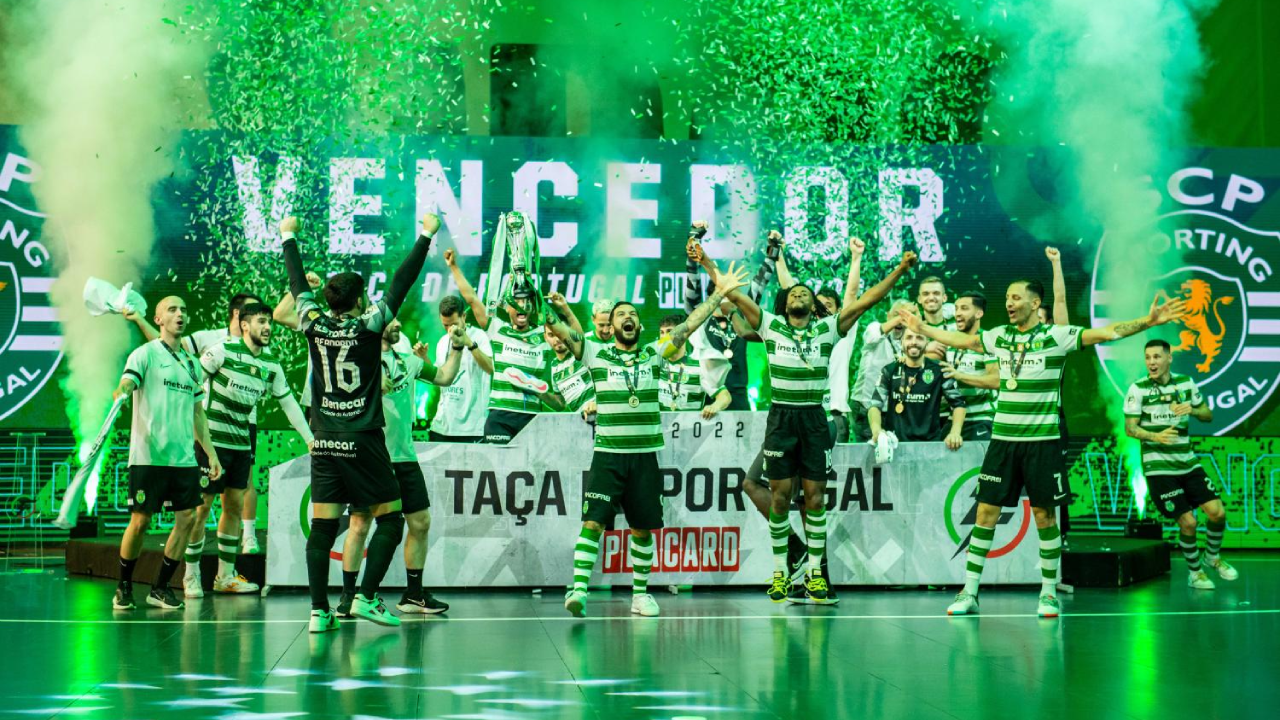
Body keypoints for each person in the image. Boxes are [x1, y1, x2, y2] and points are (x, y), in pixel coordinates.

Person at [903, 279, 1186, 618]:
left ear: (1035, 303)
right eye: (1006, 297)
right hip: (1003, 442)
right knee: (984, 515)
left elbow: (1107, 332)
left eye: (1016, 297)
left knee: (1044, 516)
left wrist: (1148, 322)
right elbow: (965, 340)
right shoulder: (1000, 337)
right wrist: (924, 329)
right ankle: (969, 592)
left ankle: (1048, 592)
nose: (1009, 303)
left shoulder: (1056, 337)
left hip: (1042, 444)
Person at [548, 265, 749, 618]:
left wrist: (721, 293)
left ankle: (640, 595)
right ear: (610, 327)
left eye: (633, 314)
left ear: (639, 326)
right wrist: (552, 307)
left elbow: (690, 324)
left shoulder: (654, 353)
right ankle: (579, 589)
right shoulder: (596, 354)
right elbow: (559, 330)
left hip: (644, 458)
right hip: (608, 456)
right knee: (593, 523)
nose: (627, 317)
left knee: (642, 530)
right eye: (619, 314)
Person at [725, 239, 917, 604]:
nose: (801, 294)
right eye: (795, 292)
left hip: (822, 418)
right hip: (783, 417)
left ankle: (817, 575)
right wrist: (722, 274)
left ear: (818, 308)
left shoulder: (833, 330)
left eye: (808, 293)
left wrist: (897, 270)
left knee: (814, 498)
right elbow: (747, 304)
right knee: (776, 494)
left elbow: (862, 297)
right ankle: (786, 571)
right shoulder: (774, 328)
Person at [281, 212, 439, 633]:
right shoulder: (369, 326)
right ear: (358, 301)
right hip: (364, 437)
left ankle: (319, 611)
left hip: (325, 438)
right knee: (390, 518)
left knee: (323, 526)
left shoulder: (313, 324)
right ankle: (367, 597)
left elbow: (298, 285)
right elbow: (402, 282)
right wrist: (425, 234)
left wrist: (288, 236)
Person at [183, 302, 314, 599]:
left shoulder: (271, 364)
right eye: (260, 322)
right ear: (244, 325)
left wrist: (309, 439)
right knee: (201, 509)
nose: (268, 327)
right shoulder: (221, 351)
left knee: (232, 508)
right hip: (211, 444)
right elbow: (192, 386)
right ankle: (190, 576)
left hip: (241, 445)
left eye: (269, 322)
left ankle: (225, 576)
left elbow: (289, 404)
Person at [338, 319, 465, 618]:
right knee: (360, 525)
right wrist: (369, 382)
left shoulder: (409, 362)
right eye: (392, 319)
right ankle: (348, 596)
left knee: (420, 522)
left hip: (405, 456)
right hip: (370, 457)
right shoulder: (355, 360)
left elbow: (446, 377)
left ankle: (414, 594)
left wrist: (457, 347)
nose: (398, 324)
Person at [126, 292, 268, 555]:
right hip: (209, 423)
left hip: (244, 424)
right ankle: (190, 574)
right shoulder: (208, 340)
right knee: (200, 505)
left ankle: (247, 539)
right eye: (253, 314)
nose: (261, 323)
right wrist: (139, 320)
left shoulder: (260, 346)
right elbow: (166, 349)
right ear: (238, 315)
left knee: (242, 490)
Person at [112, 296, 222, 612]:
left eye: (184, 310)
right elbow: (128, 381)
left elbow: (198, 413)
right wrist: (122, 391)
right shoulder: (144, 354)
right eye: (172, 310)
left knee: (187, 518)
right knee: (141, 522)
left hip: (183, 459)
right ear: (158, 319)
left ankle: (159, 588)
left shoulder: (190, 364)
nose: (180, 314)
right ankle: (124, 586)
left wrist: (211, 453)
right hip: (148, 456)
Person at [1124, 339, 1237, 589]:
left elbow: (1208, 414)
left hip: (1188, 463)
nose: (1151, 362)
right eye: (1148, 358)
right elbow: (1130, 429)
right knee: (1189, 522)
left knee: (1218, 513)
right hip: (1159, 469)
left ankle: (1212, 557)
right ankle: (1195, 573)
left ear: (1169, 358)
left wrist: (1193, 410)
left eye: (1156, 357)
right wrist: (1155, 436)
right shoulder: (1138, 389)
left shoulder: (1185, 383)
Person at [444, 247, 553, 444]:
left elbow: (571, 335)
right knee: (498, 472)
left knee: (534, 472)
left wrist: (532, 289)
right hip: (500, 416)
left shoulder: (544, 335)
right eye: (516, 302)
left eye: (526, 301)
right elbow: (471, 299)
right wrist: (454, 267)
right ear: (507, 306)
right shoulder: (497, 330)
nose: (522, 306)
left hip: (532, 417)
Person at [868, 327, 966, 446]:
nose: (914, 342)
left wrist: (955, 432)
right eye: (909, 338)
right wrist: (876, 429)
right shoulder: (889, 370)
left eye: (919, 338)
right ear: (901, 342)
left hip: (930, 444)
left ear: (927, 342)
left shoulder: (940, 370)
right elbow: (875, 405)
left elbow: (959, 404)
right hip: (895, 444)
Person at [850, 300, 918, 441]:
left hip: (896, 409)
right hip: (866, 405)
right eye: (896, 315)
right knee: (870, 453)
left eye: (906, 316)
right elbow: (873, 336)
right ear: (888, 316)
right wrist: (902, 316)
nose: (900, 321)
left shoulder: (911, 340)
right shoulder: (874, 328)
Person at [428, 295, 493, 442]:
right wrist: (424, 358)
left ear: (464, 316)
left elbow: (490, 368)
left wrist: (469, 343)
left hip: (472, 427)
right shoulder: (442, 342)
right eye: (445, 325)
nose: (450, 329)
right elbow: (440, 379)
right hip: (442, 426)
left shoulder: (479, 336)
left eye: (453, 324)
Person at [938, 291, 998, 441]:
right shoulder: (951, 343)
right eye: (956, 308)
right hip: (954, 418)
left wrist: (959, 376)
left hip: (982, 419)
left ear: (979, 314)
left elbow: (996, 381)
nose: (957, 313)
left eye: (964, 308)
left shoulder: (988, 342)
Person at [655, 312, 729, 414]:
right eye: (662, 332)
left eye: (669, 332)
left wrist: (714, 407)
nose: (664, 337)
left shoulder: (700, 366)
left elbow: (724, 397)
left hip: (689, 427)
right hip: (660, 428)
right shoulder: (656, 362)